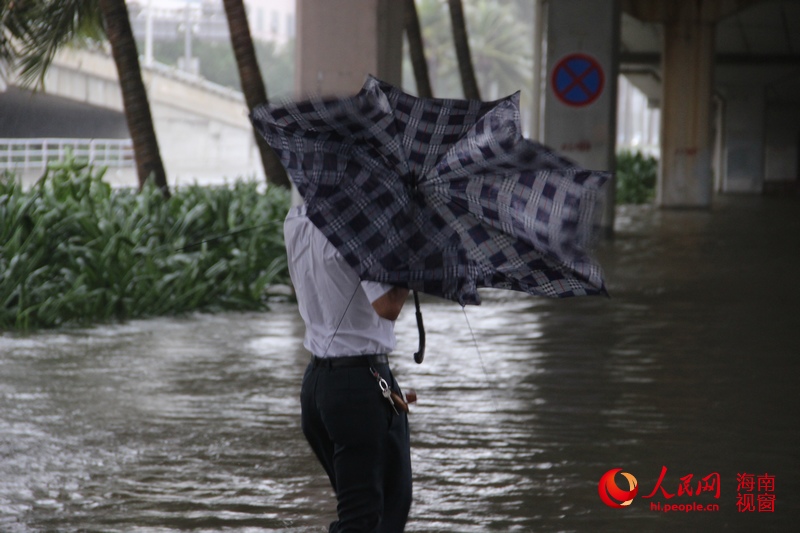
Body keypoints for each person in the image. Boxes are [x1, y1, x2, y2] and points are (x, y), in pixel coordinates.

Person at [284, 203, 412, 532]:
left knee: (368, 509)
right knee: (371, 516)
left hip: (318, 385)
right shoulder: (362, 222)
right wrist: (410, 253)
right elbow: (388, 305)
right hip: (359, 385)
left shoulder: (296, 216)